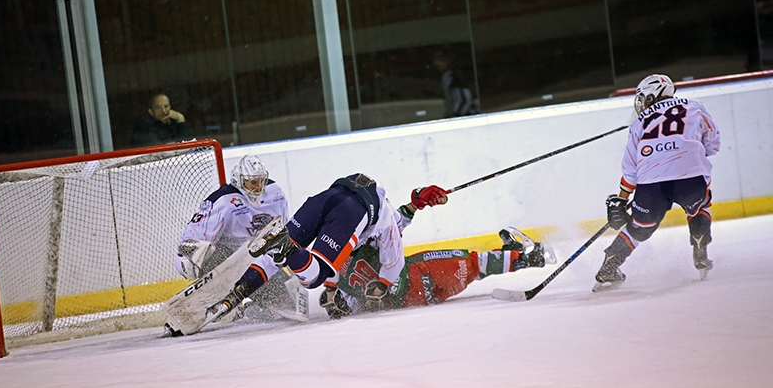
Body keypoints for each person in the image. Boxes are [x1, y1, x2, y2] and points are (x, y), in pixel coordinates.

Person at [247, 174, 451, 317]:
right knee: (319, 274)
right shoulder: (382, 228)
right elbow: (394, 237)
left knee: (318, 272)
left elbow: (395, 226)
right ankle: (284, 257)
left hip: (354, 259)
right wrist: (416, 204)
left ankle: (277, 266)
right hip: (360, 265)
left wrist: (416, 205)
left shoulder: (380, 227)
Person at [594, 73, 721, 292]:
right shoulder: (694, 106)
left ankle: (610, 264)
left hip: (651, 182)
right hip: (690, 175)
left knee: (639, 227)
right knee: (700, 206)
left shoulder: (639, 122)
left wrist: (621, 200)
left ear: (654, 94)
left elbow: (630, 169)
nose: (642, 102)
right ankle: (700, 245)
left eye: (644, 97)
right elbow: (713, 144)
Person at [324, 227, 555, 318]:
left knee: (467, 272)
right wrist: (415, 204)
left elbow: (354, 306)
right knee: (468, 264)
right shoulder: (358, 240)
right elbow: (392, 225)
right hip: (415, 273)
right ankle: (527, 258)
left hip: (412, 300)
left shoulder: (331, 276)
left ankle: (508, 255)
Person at [172, 154, 290, 326]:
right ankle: (221, 299)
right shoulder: (224, 200)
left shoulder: (275, 193)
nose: (258, 187)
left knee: (287, 302)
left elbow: (283, 228)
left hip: (260, 257)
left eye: (261, 181)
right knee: (212, 257)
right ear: (239, 180)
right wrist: (189, 255)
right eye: (252, 182)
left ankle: (249, 305)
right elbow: (196, 235)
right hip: (227, 261)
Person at [433, 51, 479, 118]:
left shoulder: (454, 76)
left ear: (448, 61)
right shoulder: (445, 76)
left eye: (440, 60)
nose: (437, 63)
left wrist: (457, 114)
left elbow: (466, 100)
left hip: (466, 116)